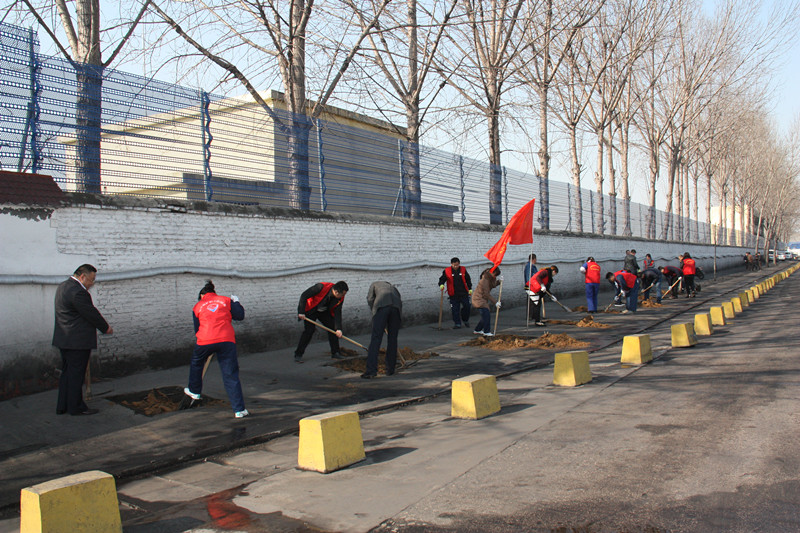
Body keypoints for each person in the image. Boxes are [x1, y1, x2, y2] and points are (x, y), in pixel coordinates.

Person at [52, 264, 113, 416]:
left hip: (64, 339)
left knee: (67, 373)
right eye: (91, 280)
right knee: (76, 375)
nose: (92, 283)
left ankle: (63, 405)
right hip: (77, 341)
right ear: (82, 277)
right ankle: (76, 407)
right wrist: (105, 327)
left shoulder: (63, 287)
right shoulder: (78, 292)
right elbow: (91, 313)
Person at [184, 280, 248, 418]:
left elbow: (197, 329)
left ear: (202, 296)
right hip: (226, 340)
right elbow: (240, 316)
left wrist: (208, 344)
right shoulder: (226, 300)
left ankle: (194, 391)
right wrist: (236, 302)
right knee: (230, 374)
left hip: (205, 340)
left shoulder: (197, 306)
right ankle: (239, 410)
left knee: (196, 363)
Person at [295, 281, 349, 363]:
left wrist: (338, 328)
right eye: (342, 294)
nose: (343, 296)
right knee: (309, 331)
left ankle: (335, 353)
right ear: (336, 292)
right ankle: (298, 354)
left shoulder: (340, 297)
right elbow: (304, 295)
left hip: (324, 312)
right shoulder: (321, 287)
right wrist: (301, 312)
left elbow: (338, 312)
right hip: (311, 310)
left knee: (333, 328)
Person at [362, 281, 402, 379]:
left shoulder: (374, 285)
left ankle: (371, 371)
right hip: (396, 309)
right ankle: (390, 369)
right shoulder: (393, 288)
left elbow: (370, 299)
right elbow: (399, 299)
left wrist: (375, 313)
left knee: (376, 339)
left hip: (382, 307)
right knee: (392, 339)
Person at [438, 257, 472, 329]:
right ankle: (457, 323)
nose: (456, 266)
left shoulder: (463, 269)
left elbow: (468, 279)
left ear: (459, 264)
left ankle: (465, 319)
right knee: (455, 310)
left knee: (467, 307)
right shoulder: (447, 271)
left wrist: (470, 288)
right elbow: (442, 279)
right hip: (453, 294)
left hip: (463, 293)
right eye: (454, 265)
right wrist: (441, 284)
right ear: (451, 264)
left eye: (457, 265)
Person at [471, 267, 502, 336]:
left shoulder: (489, 278)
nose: (495, 277)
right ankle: (486, 331)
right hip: (478, 299)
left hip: (482, 299)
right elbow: (486, 294)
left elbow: (492, 285)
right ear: (492, 272)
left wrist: (499, 282)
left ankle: (477, 330)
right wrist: (495, 302)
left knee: (485, 316)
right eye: (495, 275)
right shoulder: (485, 280)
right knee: (486, 315)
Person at [523, 253, 539, 319]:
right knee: (531, 302)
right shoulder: (529, 266)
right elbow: (528, 277)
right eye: (535, 259)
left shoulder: (533, 266)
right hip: (531, 286)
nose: (536, 260)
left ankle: (533, 315)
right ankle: (529, 316)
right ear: (533, 259)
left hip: (534, 286)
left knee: (534, 301)